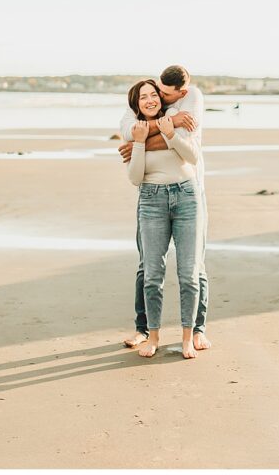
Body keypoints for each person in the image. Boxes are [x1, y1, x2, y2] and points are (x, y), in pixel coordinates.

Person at [118, 65, 211, 351]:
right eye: (153, 92)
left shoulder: (191, 98)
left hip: (190, 189)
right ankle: (144, 330)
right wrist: (145, 139)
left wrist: (147, 138)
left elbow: (190, 150)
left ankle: (196, 329)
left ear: (180, 93)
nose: (158, 97)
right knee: (148, 267)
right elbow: (129, 137)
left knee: (193, 267)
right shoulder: (136, 112)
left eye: (162, 94)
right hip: (151, 195)